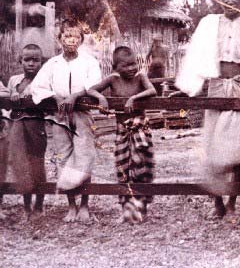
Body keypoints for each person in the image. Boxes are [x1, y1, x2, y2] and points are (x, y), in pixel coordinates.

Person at [175, 0, 240, 218]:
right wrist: (190, 87)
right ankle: (217, 203)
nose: (229, 2)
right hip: (217, 88)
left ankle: (232, 203)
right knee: (214, 147)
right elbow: (196, 56)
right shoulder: (209, 24)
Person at [31, 21, 101, 223]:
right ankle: (71, 206)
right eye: (66, 36)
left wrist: (76, 96)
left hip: (82, 114)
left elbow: (95, 83)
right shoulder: (52, 64)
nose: (70, 40)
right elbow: (39, 86)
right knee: (64, 158)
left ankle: (85, 206)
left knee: (84, 155)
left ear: (81, 40)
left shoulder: (89, 62)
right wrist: (56, 97)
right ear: (59, 39)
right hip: (59, 116)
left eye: (75, 37)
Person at [86, 46, 157, 223]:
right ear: (116, 66)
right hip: (122, 131)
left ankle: (142, 209)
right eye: (126, 65)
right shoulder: (113, 79)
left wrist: (133, 99)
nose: (132, 68)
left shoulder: (140, 77)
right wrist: (101, 98)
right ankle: (126, 209)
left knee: (142, 168)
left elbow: (152, 91)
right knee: (123, 168)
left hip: (140, 128)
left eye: (134, 64)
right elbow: (91, 90)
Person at [0, 44, 47, 217]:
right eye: (27, 60)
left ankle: (39, 205)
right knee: (22, 164)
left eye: (36, 60)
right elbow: (5, 97)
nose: (31, 63)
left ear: (41, 62)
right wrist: (11, 97)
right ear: (21, 61)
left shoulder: (44, 80)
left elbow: (46, 98)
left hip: (36, 127)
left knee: (38, 164)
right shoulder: (14, 80)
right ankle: (27, 205)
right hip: (18, 128)